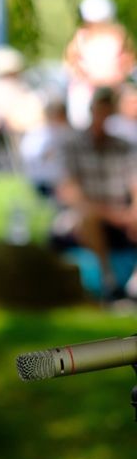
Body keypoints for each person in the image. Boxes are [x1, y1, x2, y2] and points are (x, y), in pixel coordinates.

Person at [53, 86, 137, 301]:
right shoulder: (72, 144)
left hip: (119, 211)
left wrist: (133, 211)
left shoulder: (123, 146)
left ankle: (132, 283)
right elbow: (71, 193)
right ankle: (108, 281)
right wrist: (115, 215)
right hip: (85, 215)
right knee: (88, 218)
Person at [64, 0, 136, 130]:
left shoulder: (119, 35)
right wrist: (88, 79)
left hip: (115, 88)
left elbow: (128, 63)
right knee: (80, 109)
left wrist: (115, 80)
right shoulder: (81, 37)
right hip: (88, 88)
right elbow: (71, 64)